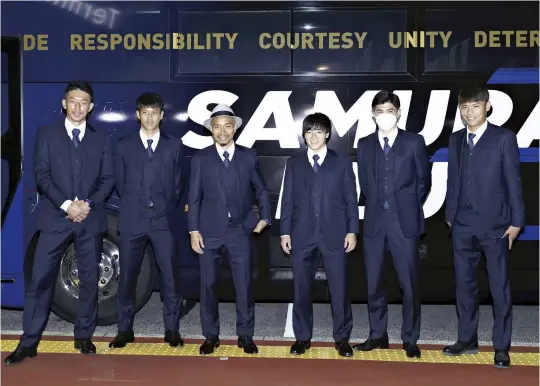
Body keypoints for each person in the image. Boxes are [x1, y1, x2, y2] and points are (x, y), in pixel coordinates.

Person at [4, 81, 115, 364]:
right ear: (64, 103)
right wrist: (67, 205)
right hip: (55, 218)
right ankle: (28, 342)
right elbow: (41, 175)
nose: (78, 107)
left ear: (91, 107)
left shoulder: (101, 138)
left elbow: (108, 178)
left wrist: (87, 205)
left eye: (84, 102)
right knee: (40, 280)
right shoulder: (47, 134)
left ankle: (84, 336)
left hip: (90, 219)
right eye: (73, 101)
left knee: (89, 282)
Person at [443, 86, 524, 369]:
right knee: (464, 286)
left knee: (499, 288)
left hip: (497, 226)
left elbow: (513, 181)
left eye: (475, 106)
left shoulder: (504, 138)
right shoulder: (455, 140)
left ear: (487, 107)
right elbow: (453, 179)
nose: (469, 112)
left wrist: (516, 222)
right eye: (464, 107)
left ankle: (501, 347)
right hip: (462, 225)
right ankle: (467, 339)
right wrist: (450, 216)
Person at [188, 104, 271, 355]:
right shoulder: (201, 159)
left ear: (235, 128)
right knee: (208, 285)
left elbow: (261, 189)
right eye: (216, 127)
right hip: (209, 231)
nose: (222, 131)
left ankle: (245, 335)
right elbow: (193, 198)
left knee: (244, 285)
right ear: (211, 131)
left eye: (227, 126)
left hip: (239, 231)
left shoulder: (249, 156)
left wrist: (264, 216)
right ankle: (211, 335)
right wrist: (193, 230)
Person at [353, 90, 430, 359]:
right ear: (373, 114)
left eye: (389, 110)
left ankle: (410, 338)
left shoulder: (414, 142)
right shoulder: (364, 144)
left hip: (404, 222)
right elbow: (364, 183)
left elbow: (424, 182)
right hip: (374, 222)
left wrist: (405, 206)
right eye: (379, 111)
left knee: (409, 283)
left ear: (398, 112)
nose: (384, 115)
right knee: (373, 282)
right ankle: (378, 334)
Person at [109, 93, 185, 348]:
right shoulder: (123, 145)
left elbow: (177, 184)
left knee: (170, 276)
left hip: (163, 221)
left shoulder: (174, 146)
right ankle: (124, 329)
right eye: (145, 112)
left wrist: (163, 207)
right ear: (138, 114)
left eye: (155, 112)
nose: (150, 117)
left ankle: (172, 329)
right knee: (128, 276)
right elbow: (119, 182)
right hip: (133, 220)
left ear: (162, 116)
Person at [280, 113, 358, 357]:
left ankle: (342, 339)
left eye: (319, 131)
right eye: (309, 131)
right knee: (301, 290)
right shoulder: (293, 163)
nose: (314, 136)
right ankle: (302, 338)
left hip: (335, 235)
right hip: (302, 236)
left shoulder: (341, 162)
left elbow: (350, 200)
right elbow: (288, 201)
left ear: (327, 134)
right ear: (303, 135)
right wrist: (284, 232)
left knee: (339, 290)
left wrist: (352, 230)